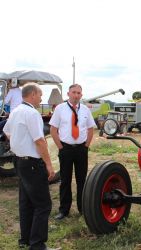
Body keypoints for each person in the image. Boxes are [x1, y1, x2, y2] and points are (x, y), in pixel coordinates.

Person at [3, 83, 57, 250]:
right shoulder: (32, 113)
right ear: (32, 94)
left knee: (26, 202)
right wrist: (49, 164)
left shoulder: (15, 111)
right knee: (43, 205)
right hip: (32, 164)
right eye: (40, 95)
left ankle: (25, 240)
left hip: (19, 161)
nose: (41, 99)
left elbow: (6, 131)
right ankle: (37, 244)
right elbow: (40, 141)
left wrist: (18, 142)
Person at [49, 84, 96, 220]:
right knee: (65, 180)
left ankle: (83, 208)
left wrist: (86, 146)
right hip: (66, 149)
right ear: (68, 94)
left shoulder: (85, 110)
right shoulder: (60, 109)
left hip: (81, 149)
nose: (76, 95)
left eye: (79, 93)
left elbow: (90, 129)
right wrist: (60, 147)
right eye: (74, 92)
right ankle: (64, 210)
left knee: (82, 180)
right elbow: (53, 129)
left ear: (81, 95)